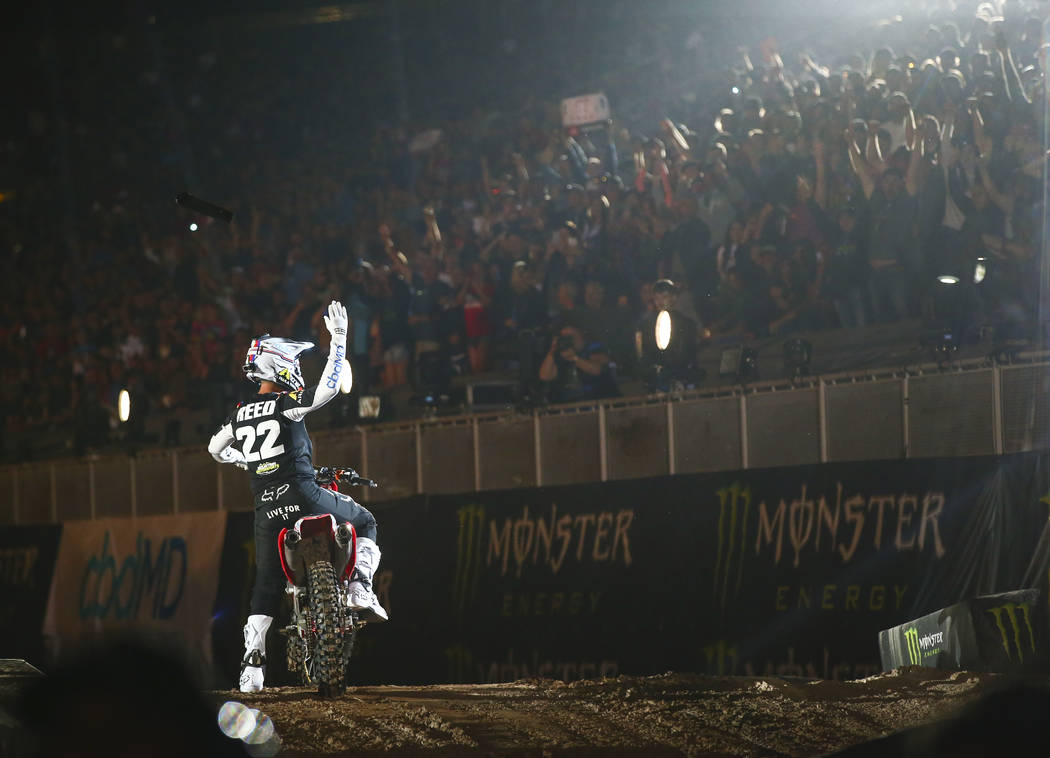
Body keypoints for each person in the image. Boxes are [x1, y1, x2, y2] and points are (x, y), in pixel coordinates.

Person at [207, 300, 387, 694]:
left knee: (266, 584)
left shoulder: (239, 413)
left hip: (267, 509)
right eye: (293, 363)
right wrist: (339, 340)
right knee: (366, 520)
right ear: (279, 365)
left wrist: (250, 462)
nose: (298, 370)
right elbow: (324, 392)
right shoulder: (284, 404)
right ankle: (359, 586)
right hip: (304, 495)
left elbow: (214, 449)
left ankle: (252, 667)